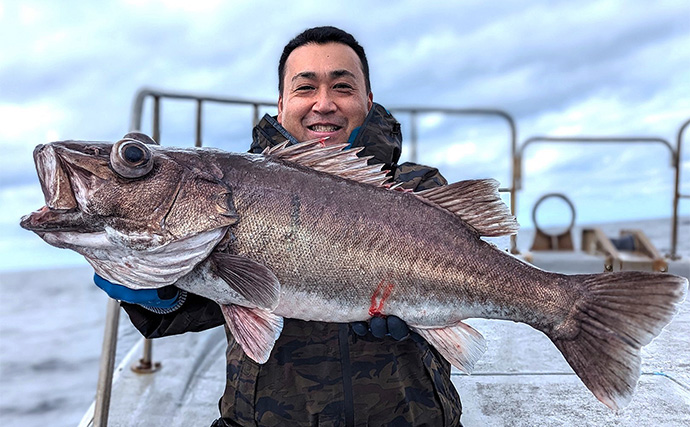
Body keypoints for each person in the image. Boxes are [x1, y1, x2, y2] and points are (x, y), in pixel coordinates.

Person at [95, 26, 463, 426]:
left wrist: (428, 316)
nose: (324, 104)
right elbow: (198, 305)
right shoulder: (229, 189)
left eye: (342, 87)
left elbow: (478, 278)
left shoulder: (417, 190)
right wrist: (157, 289)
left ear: (368, 100)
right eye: (305, 88)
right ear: (282, 102)